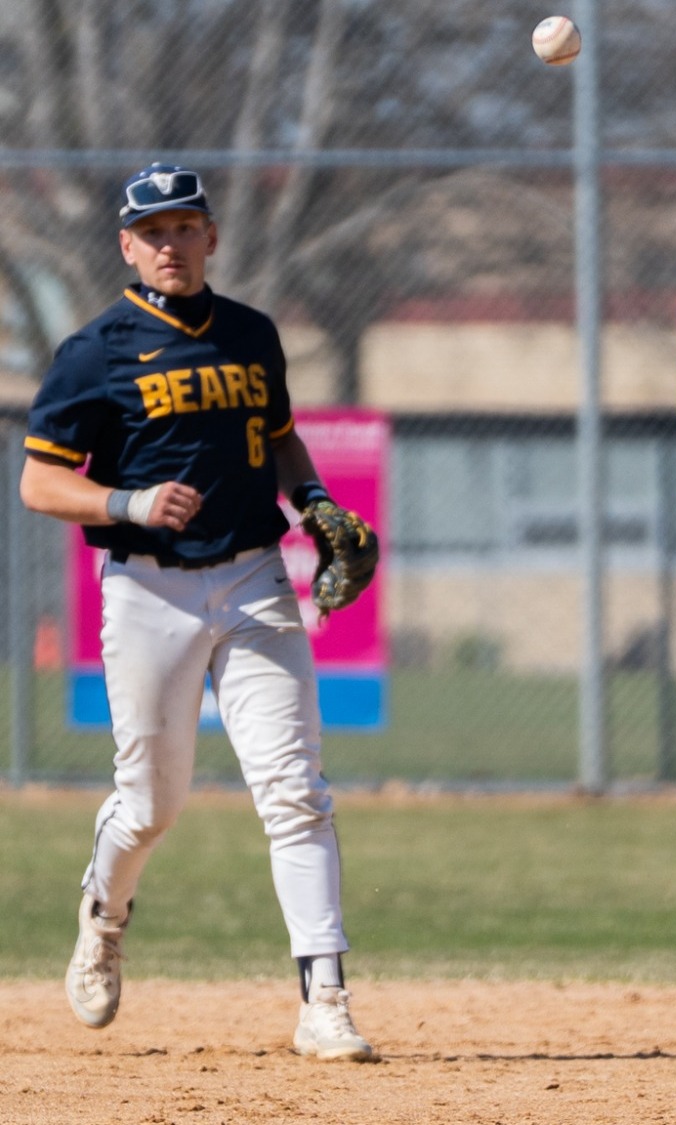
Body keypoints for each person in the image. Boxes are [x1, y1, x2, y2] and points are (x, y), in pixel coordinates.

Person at [18, 164, 375, 1061]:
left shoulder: (252, 334)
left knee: (297, 792)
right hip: (148, 589)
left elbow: (280, 433)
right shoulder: (96, 349)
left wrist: (315, 502)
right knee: (149, 804)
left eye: (185, 227)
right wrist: (128, 504)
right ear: (126, 246)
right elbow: (38, 480)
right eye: (153, 230)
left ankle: (324, 996)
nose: (170, 244)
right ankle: (103, 916)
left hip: (255, 573)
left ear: (211, 236)